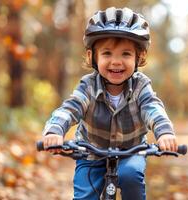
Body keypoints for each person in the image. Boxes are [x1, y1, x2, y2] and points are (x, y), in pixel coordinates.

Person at [41, 7, 178, 200]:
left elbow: (153, 108)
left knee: (131, 175)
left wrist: (164, 133)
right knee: (85, 194)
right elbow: (71, 107)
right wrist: (55, 130)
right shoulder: (87, 86)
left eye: (126, 54)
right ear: (92, 57)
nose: (116, 61)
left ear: (139, 58)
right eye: (107, 53)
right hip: (90, 152)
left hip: (131, 151)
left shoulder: (141, 86)